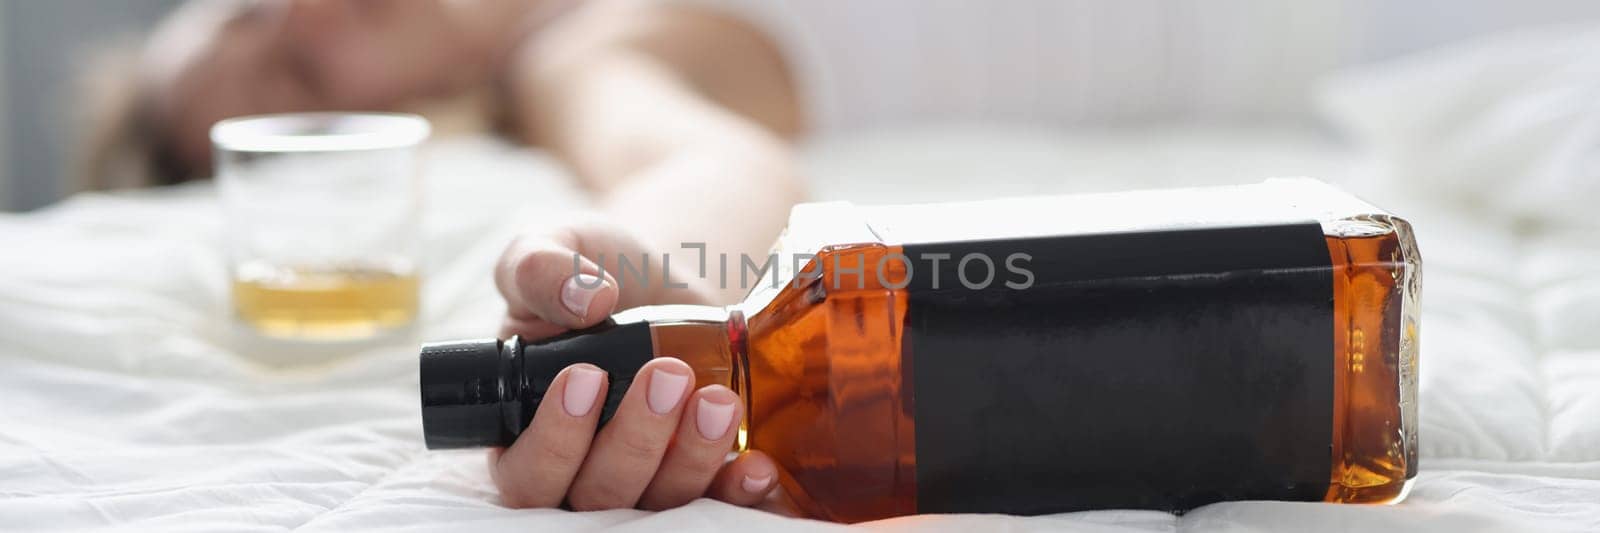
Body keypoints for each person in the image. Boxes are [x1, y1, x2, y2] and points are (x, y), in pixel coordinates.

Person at [94, 0, 806, 514]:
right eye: (302, 73)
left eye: (251, 10)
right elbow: (707, 161)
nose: (305, 13)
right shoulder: (565, 54)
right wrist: (655, 293)